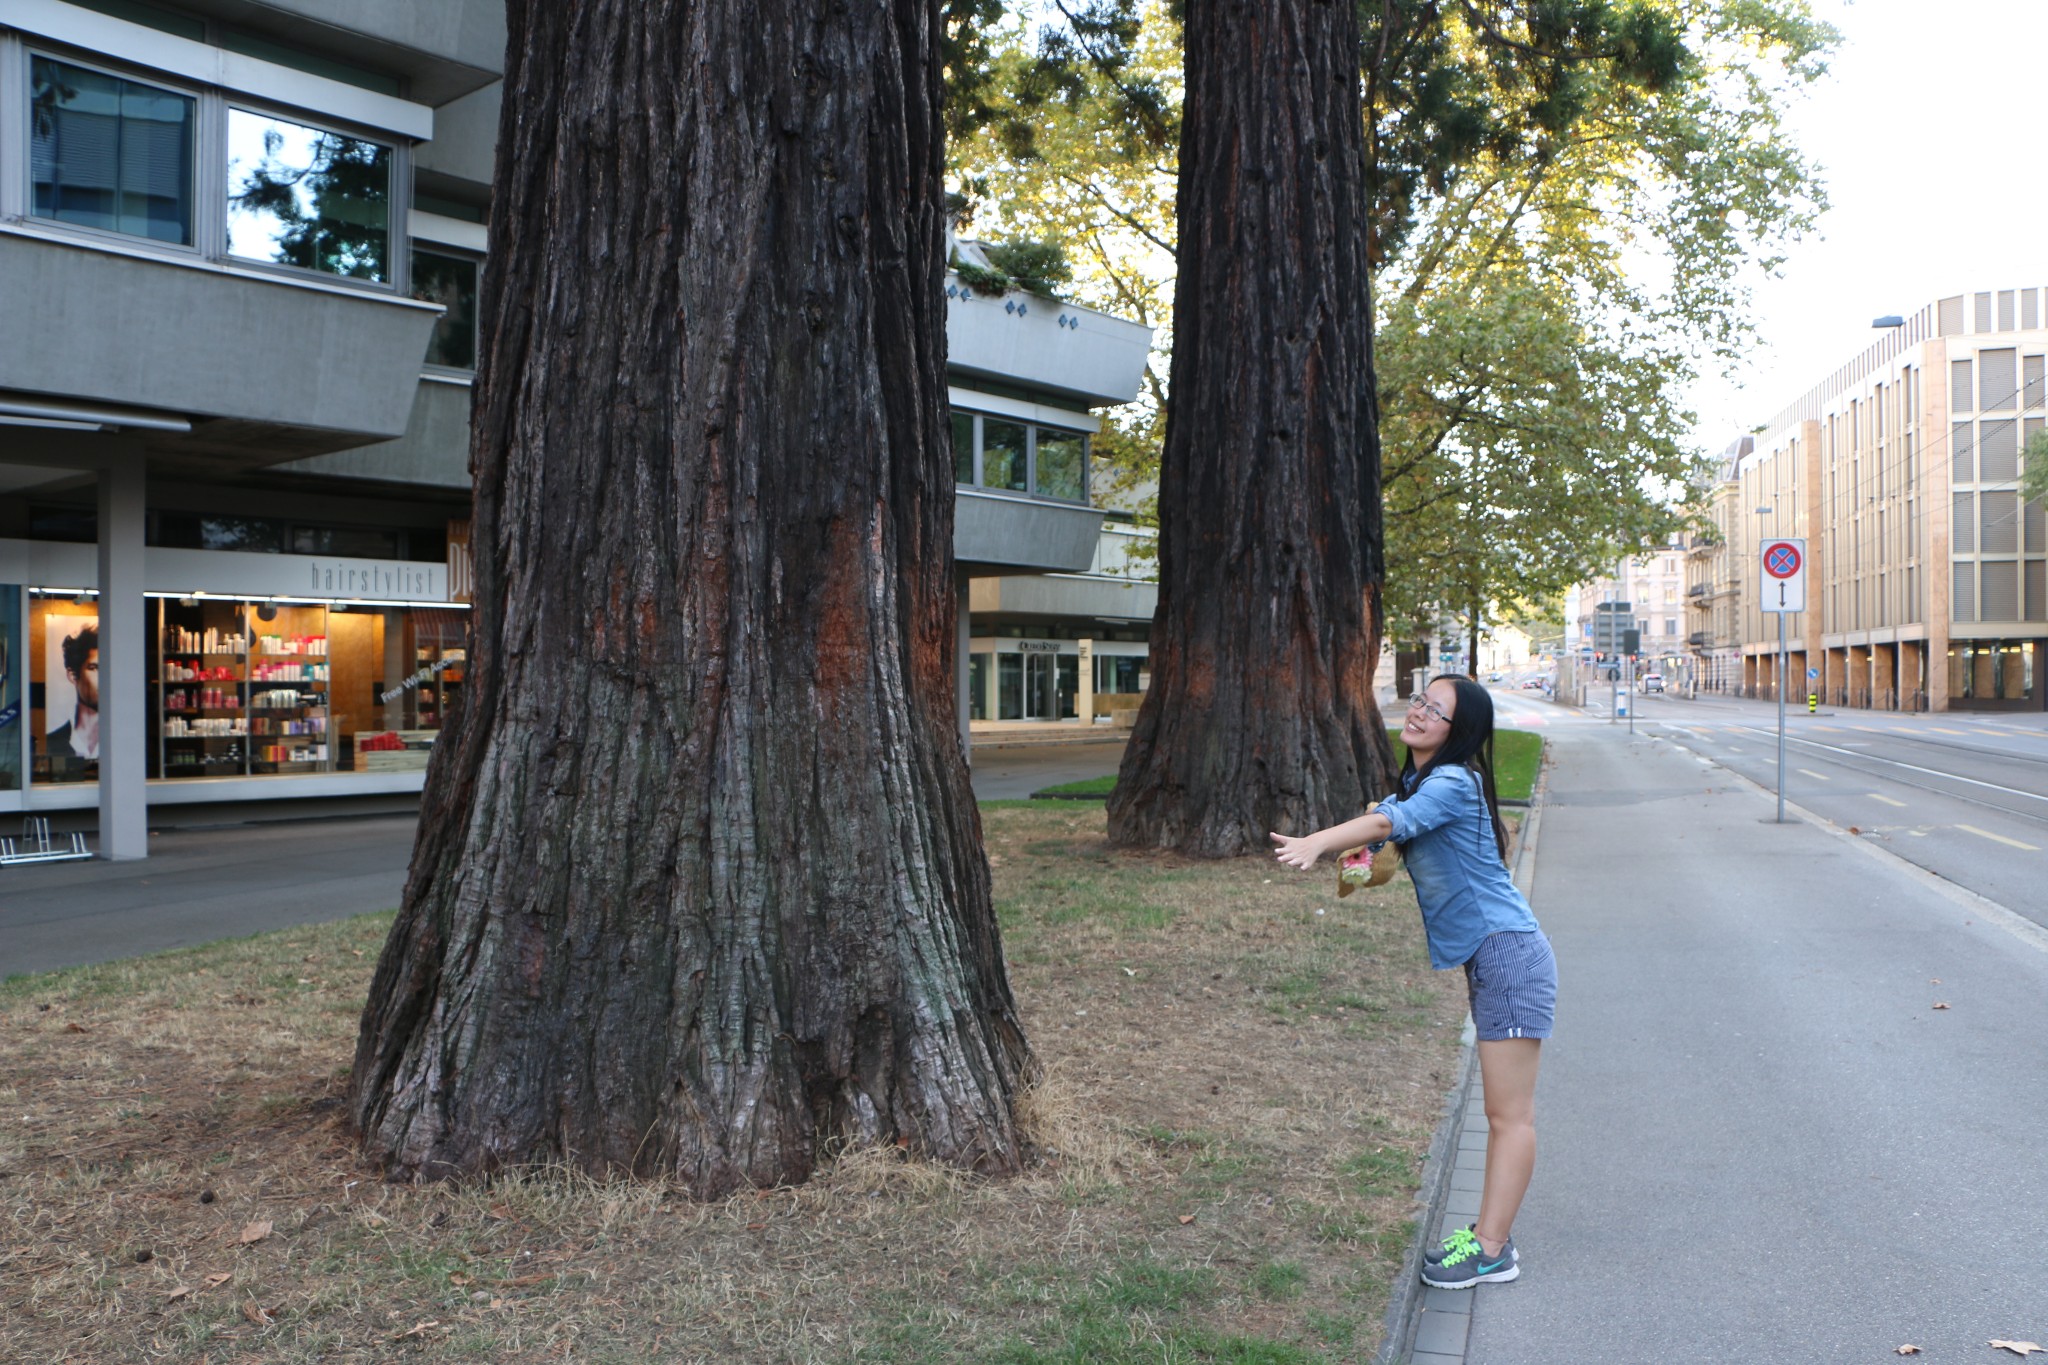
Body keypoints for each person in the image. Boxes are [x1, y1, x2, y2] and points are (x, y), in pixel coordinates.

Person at [1270, 674, 1555, 1289]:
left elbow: (1381, 827)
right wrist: (1365, 860)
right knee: (1503, 1111)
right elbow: (1389, 840)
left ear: (1463, 732)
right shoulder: (1421, 783)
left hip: (1508, 954)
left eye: (1438, 710)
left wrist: (1316, 843)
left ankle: (1492, 1250)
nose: (1420, 712)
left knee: (1509, 1115)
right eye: (1421, 700)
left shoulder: (1453, 779)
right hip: (1492, 956)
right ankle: (1487, 1238)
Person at [47, 626, 101, 762]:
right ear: (72, 675)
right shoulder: (54, 741)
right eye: (94, 668)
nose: (105, 677)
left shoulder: (122, 737)